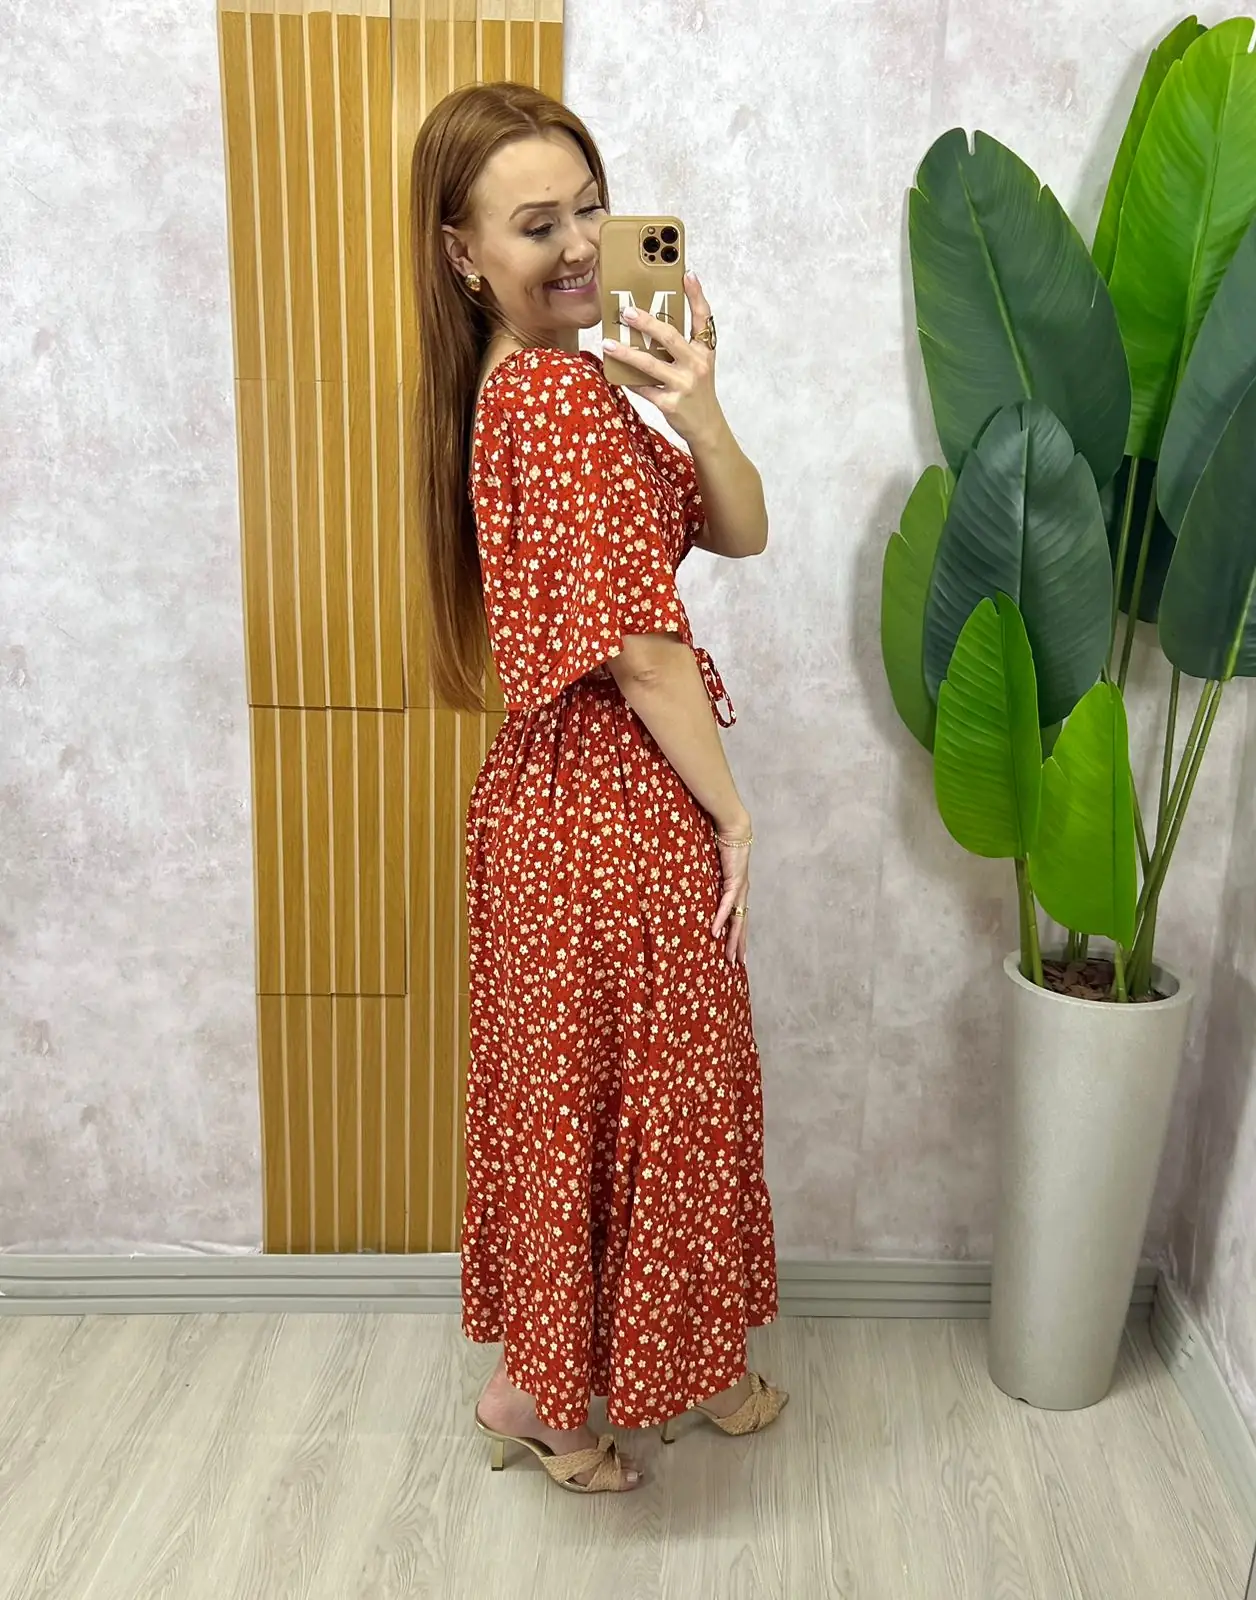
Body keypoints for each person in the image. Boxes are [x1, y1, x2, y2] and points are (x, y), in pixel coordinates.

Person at [409, 82, 782, 1496]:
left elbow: (738, 531)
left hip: (554, 807)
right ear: (464, 255)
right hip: (607, 812)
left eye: (591, 210)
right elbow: (641, 650)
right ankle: (558, 1400)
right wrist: (733, 812)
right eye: (535, 224)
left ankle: (596, 1380)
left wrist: (698, 403)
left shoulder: (550, 389)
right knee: (653, 1103)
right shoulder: (556, 398)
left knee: (591, 1105)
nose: (575, 246)